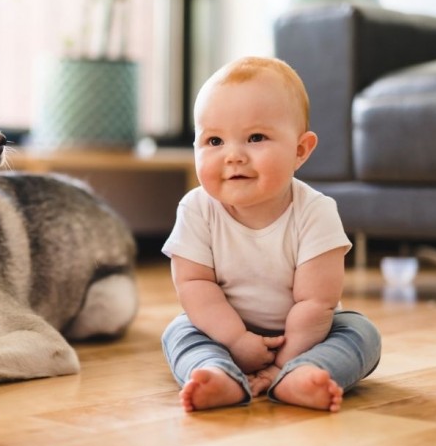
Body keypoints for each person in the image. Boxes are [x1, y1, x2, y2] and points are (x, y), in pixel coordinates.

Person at [161, 56, 381, 413]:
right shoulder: (196, 209)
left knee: (361, 333)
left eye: (256, 137)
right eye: (214, 140)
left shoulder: (315, 212)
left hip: (308, 335)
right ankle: (216, 374)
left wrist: (282, 362)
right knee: (179, 331)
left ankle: (302, 374)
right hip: (221, 329)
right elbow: (194, 285)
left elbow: (315, 302)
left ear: (300, 150)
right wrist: (235, 339)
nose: (233, 156)